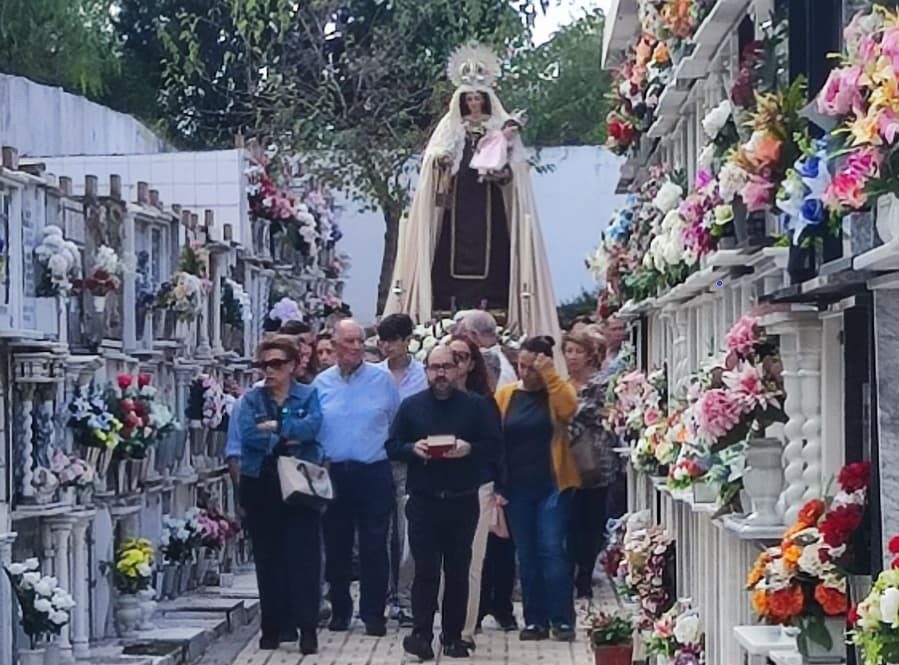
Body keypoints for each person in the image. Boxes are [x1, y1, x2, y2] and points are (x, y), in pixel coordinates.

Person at [383, 43, 561, 342]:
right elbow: (432, 163)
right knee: (448, 252)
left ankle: (495, 308)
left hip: (490, 206)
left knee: (495, 252)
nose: (475, 104)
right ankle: (445, 309)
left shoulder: (499, 127)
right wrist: (441, 163)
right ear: (462, 102)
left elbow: (516, 174)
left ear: (487, 100)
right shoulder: (450, 128)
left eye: (479, 99)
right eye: (470, 99)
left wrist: (500, 172)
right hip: (455, 206)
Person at [386, 345, 501, 660]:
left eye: (446, 367)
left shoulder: (476, 407)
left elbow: (494, 445)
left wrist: (469, 449)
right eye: (434, 368)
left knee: (458, 570)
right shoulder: (411, 407)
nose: (441, 374)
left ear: (458, 369)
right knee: (425, 570)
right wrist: (413, 449)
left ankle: (452, 636)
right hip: (424, 501)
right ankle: (421, 634)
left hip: (462, 500)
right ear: (426, 371)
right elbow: (392, 445)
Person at [313, 320, 400, 636]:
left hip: (373, 469)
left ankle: (373, 613)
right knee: (336, 544)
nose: (354, 347)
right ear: (333, 344)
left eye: (359, 341)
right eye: (347, 341)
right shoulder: (321, 384)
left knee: (375, 544)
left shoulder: (383, 380)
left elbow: (394, 421)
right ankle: (339, 608)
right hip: (334, 471)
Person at [237, 336, 323, 654]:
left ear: (291, 366)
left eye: (275, 364)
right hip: (261, 481)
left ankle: (307, 627)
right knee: (268, 557)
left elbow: (312, 428)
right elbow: (248, 434)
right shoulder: (252, 399)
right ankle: (272, 626)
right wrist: (286, 434)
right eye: (264, 365)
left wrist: (277, 427)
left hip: (299, 482)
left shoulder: (308, 394)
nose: (268, 371)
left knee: (304, 556)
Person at [495, 336, 579, 642]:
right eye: (521, 366)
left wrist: (550, 377)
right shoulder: (505, 396)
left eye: (532, 368)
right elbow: (496, 438)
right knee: (526, 555)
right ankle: (535, 620)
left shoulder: (555, 392)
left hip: (552, 484)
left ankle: (562, 619)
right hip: (517, 486)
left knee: (552, 550)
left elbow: (569, 409)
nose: (525, 373)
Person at [443, 337, 510, 647]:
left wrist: (498, 487)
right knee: (438, 563)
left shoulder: (483, 403)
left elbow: (496, 448)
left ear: (471, 364)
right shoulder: (428, 400)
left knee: (471, 560)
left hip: (477, 486)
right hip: (438, 487)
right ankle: (443, 622)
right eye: (448, 357)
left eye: (461, 357)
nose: (454, 363)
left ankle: (464, 629)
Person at [376, 313, 428, 627]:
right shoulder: (374, 374)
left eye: (393, 340)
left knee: (407, 533)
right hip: (378, 458)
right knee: (380, 532)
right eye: (382, 340)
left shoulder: (421, 374)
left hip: (412, 460)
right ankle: (383, 595)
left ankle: (406, 597)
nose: (387, 347)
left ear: (407, 340)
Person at [563, 332, 619, 600]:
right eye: (568, 351)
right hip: (566, 466)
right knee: (571, 523)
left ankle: (585, 575)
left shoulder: (600, 384)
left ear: (589, 355)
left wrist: (555, 434)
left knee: (592, 522)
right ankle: (572, 572)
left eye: (577, 351)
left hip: (595, 462)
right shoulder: (563, 385)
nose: (572, 357)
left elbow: (579, 417)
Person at [455, 310, 517, 389]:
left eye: (463, 336)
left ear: (473, 335)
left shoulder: (488, 367)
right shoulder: (504, 362)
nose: (461, 342)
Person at [469, 115, 525, 182]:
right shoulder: (496, 133)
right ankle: (482, 174)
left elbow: (509, 151)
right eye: (512, 131)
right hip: (487, 153)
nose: (513, 134)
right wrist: (478, 146)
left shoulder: (506, 140)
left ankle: (491, 173)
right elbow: (484, 139)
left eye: (515, 133)